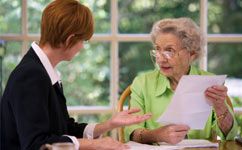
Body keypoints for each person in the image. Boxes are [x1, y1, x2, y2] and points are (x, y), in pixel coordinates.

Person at [0, 0, 152, 149]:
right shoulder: (31, 75)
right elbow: (36, 144)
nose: (82, 47)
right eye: (84, 40)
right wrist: (95, 144)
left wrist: (109, 124)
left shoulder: (43, 70)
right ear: (69, 39)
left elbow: (66, 129)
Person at [125, 17, 238, 144]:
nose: (160, 60)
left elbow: (229, 136)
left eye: (169, 51)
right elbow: (131, 132)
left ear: (192, 54)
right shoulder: (142, 83)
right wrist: (156, 135)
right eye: (157, 49)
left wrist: (220, 107)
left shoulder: (209, 83)